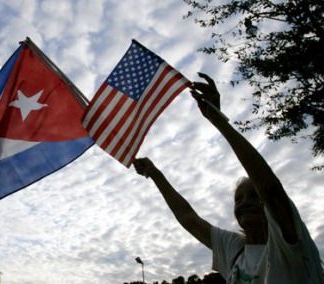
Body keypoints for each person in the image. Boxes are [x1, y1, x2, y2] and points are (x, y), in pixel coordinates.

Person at [133, 73, 324, 284]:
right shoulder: (234, 249)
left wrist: (217, 119)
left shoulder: (288, 242)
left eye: (254, 196)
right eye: (238, 199)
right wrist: (155, 174)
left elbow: (270, 188)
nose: (244, 203)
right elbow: (189, 218)